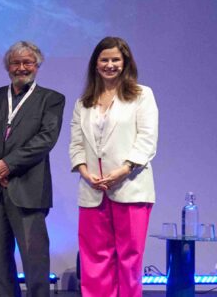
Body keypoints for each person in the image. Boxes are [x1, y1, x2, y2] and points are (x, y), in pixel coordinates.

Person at [0, 41, 65, 297]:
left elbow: (46, 139)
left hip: (28, 188)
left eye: (27, 62)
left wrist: (7, 165)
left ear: (37, 65)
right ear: (7, 67)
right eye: (15, 63)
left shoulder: (52, 99)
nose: (21, 67)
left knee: (34, 260)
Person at [69, 37, 157, 297]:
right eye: (104, 59)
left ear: (125, 63)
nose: (109, 65)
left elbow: (147, 140)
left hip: (130, 188)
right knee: (94, 260)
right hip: (93, 190)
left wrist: (122, 171)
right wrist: (86, 174)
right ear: (95, 64)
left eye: (115, 60)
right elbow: (76, 146)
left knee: (130, 259)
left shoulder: (142, 95)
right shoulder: (83, 103)